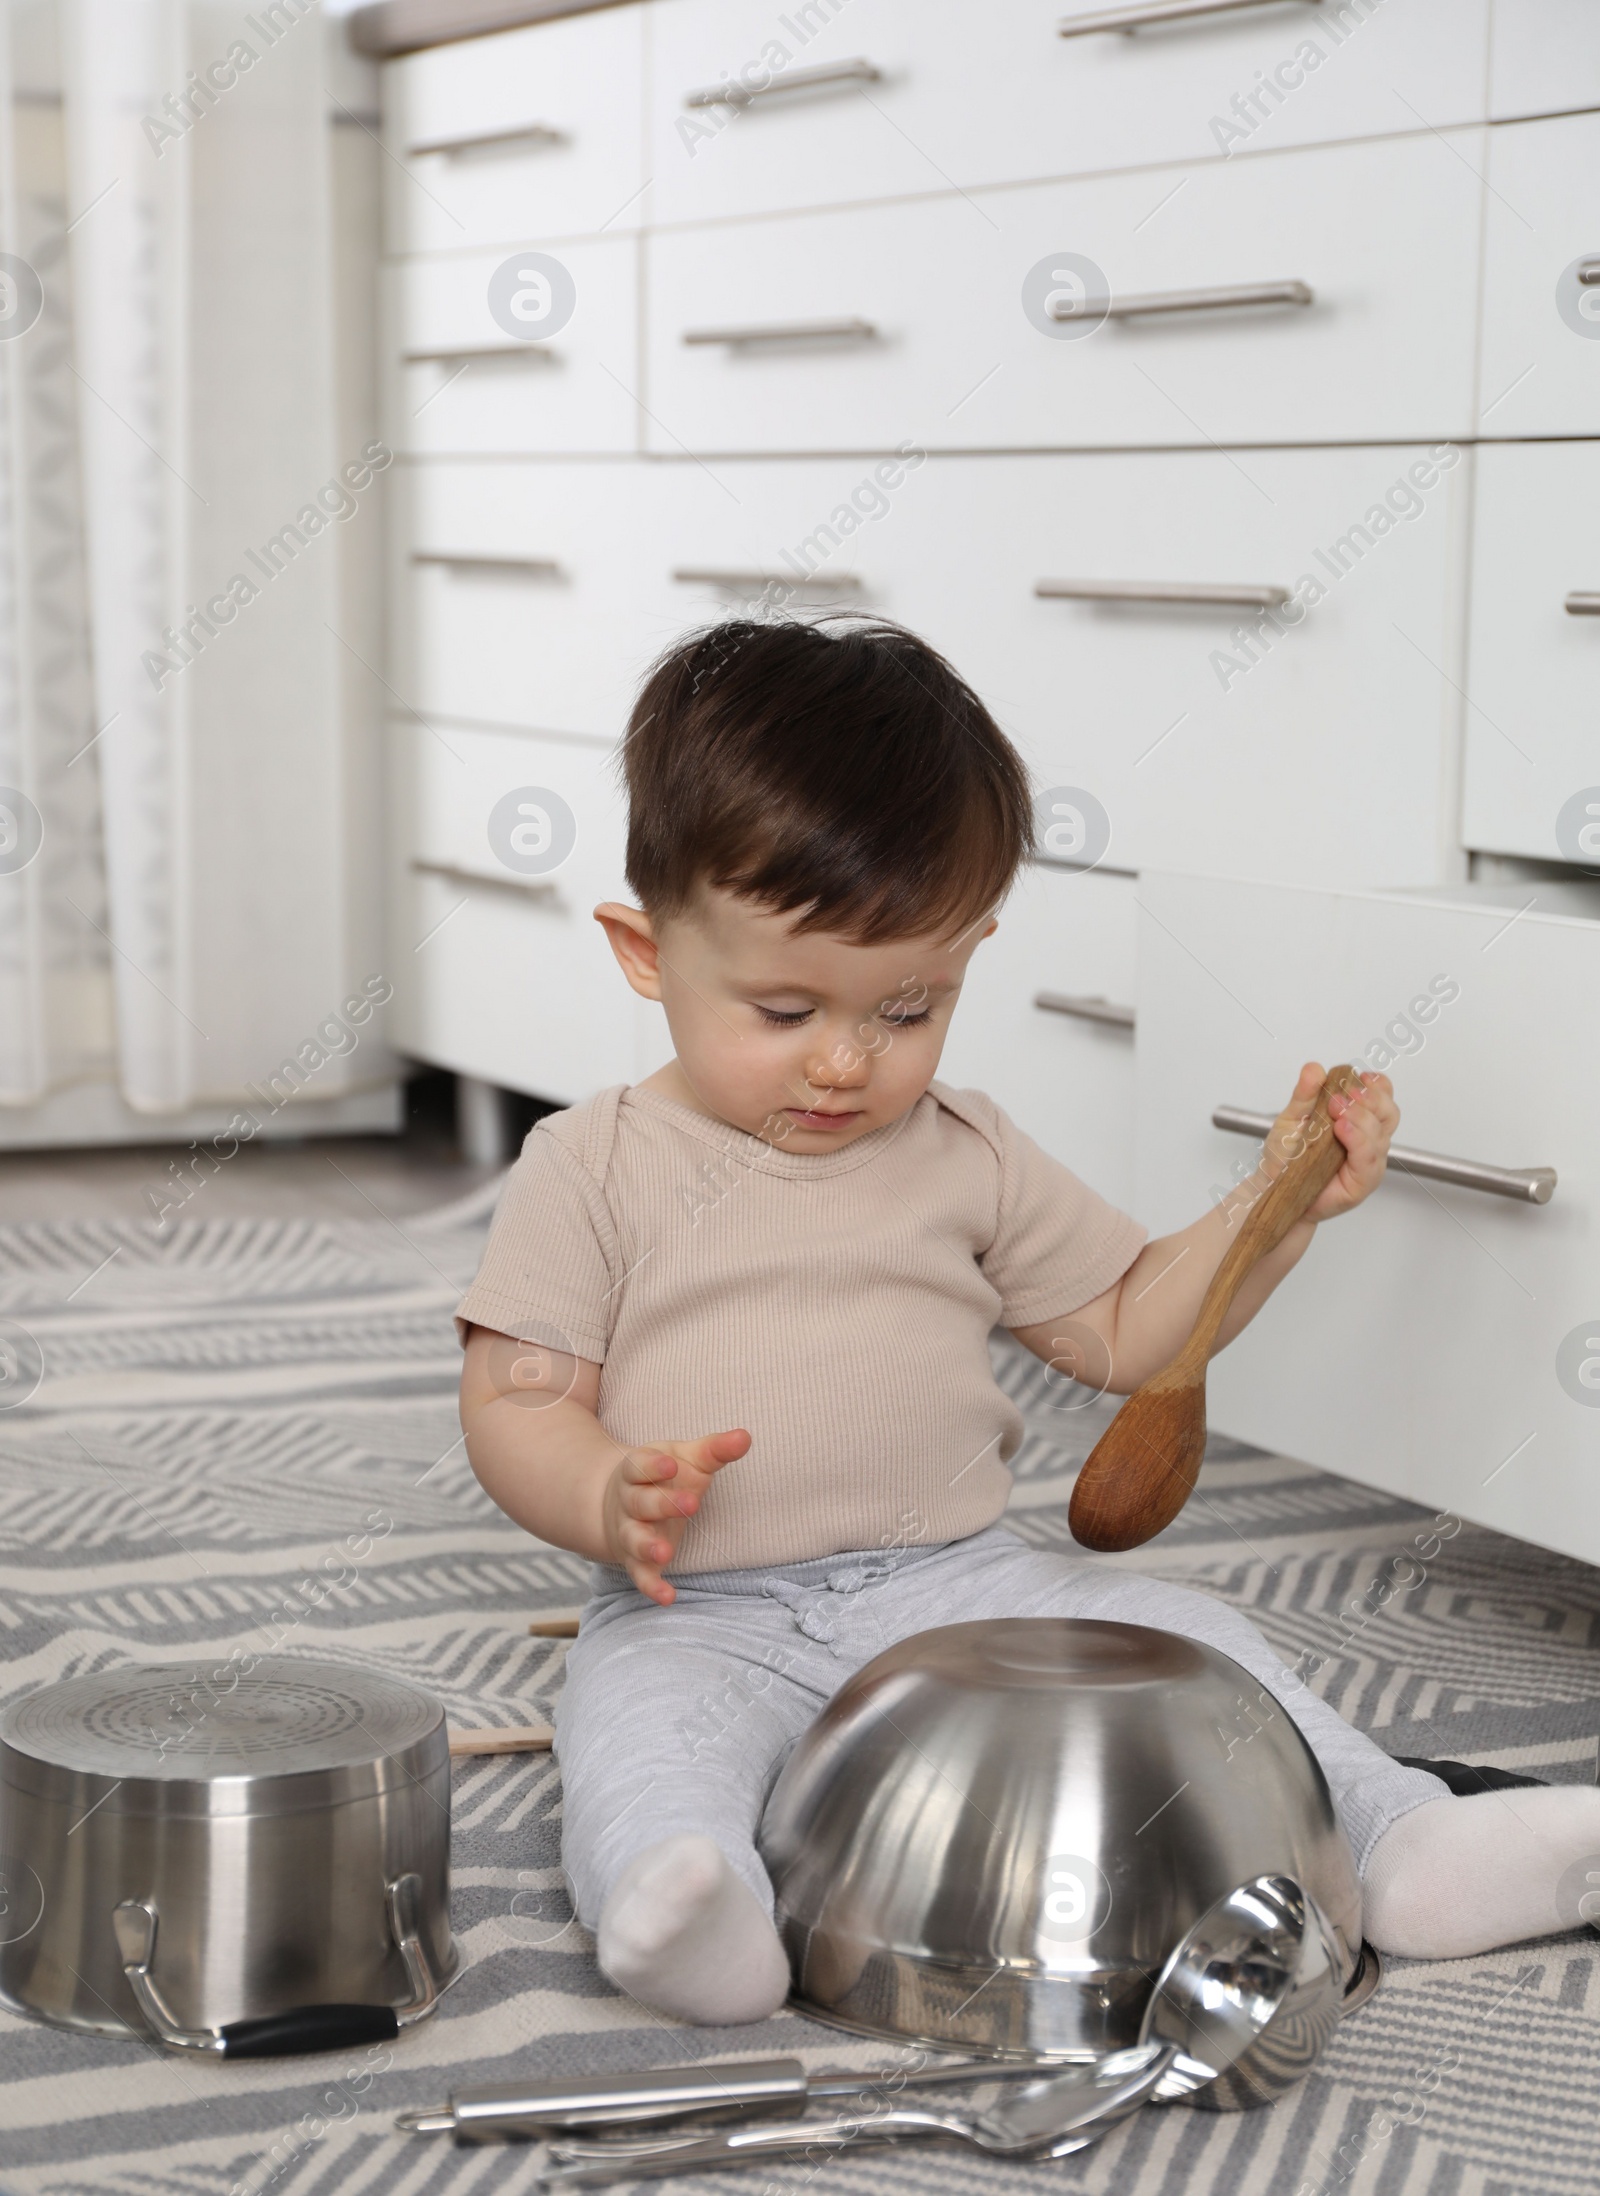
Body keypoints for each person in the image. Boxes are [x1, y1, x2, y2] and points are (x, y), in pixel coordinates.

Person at [458, 617, 1599, 2025]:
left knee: (1194, 1642)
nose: (843, 1059)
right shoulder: (592, 1163)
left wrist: (1278, 1205)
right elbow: (516, 1396)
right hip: (698, 1610)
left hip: (957, 1584)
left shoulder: (967, 1149)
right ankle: (701, 1914)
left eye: (909, 1006)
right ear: (646, 952)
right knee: (638, 1741)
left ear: (971, 954)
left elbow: (1128, 1330)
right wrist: (598, 1487)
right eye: (784, 1005)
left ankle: (1400, 1836)